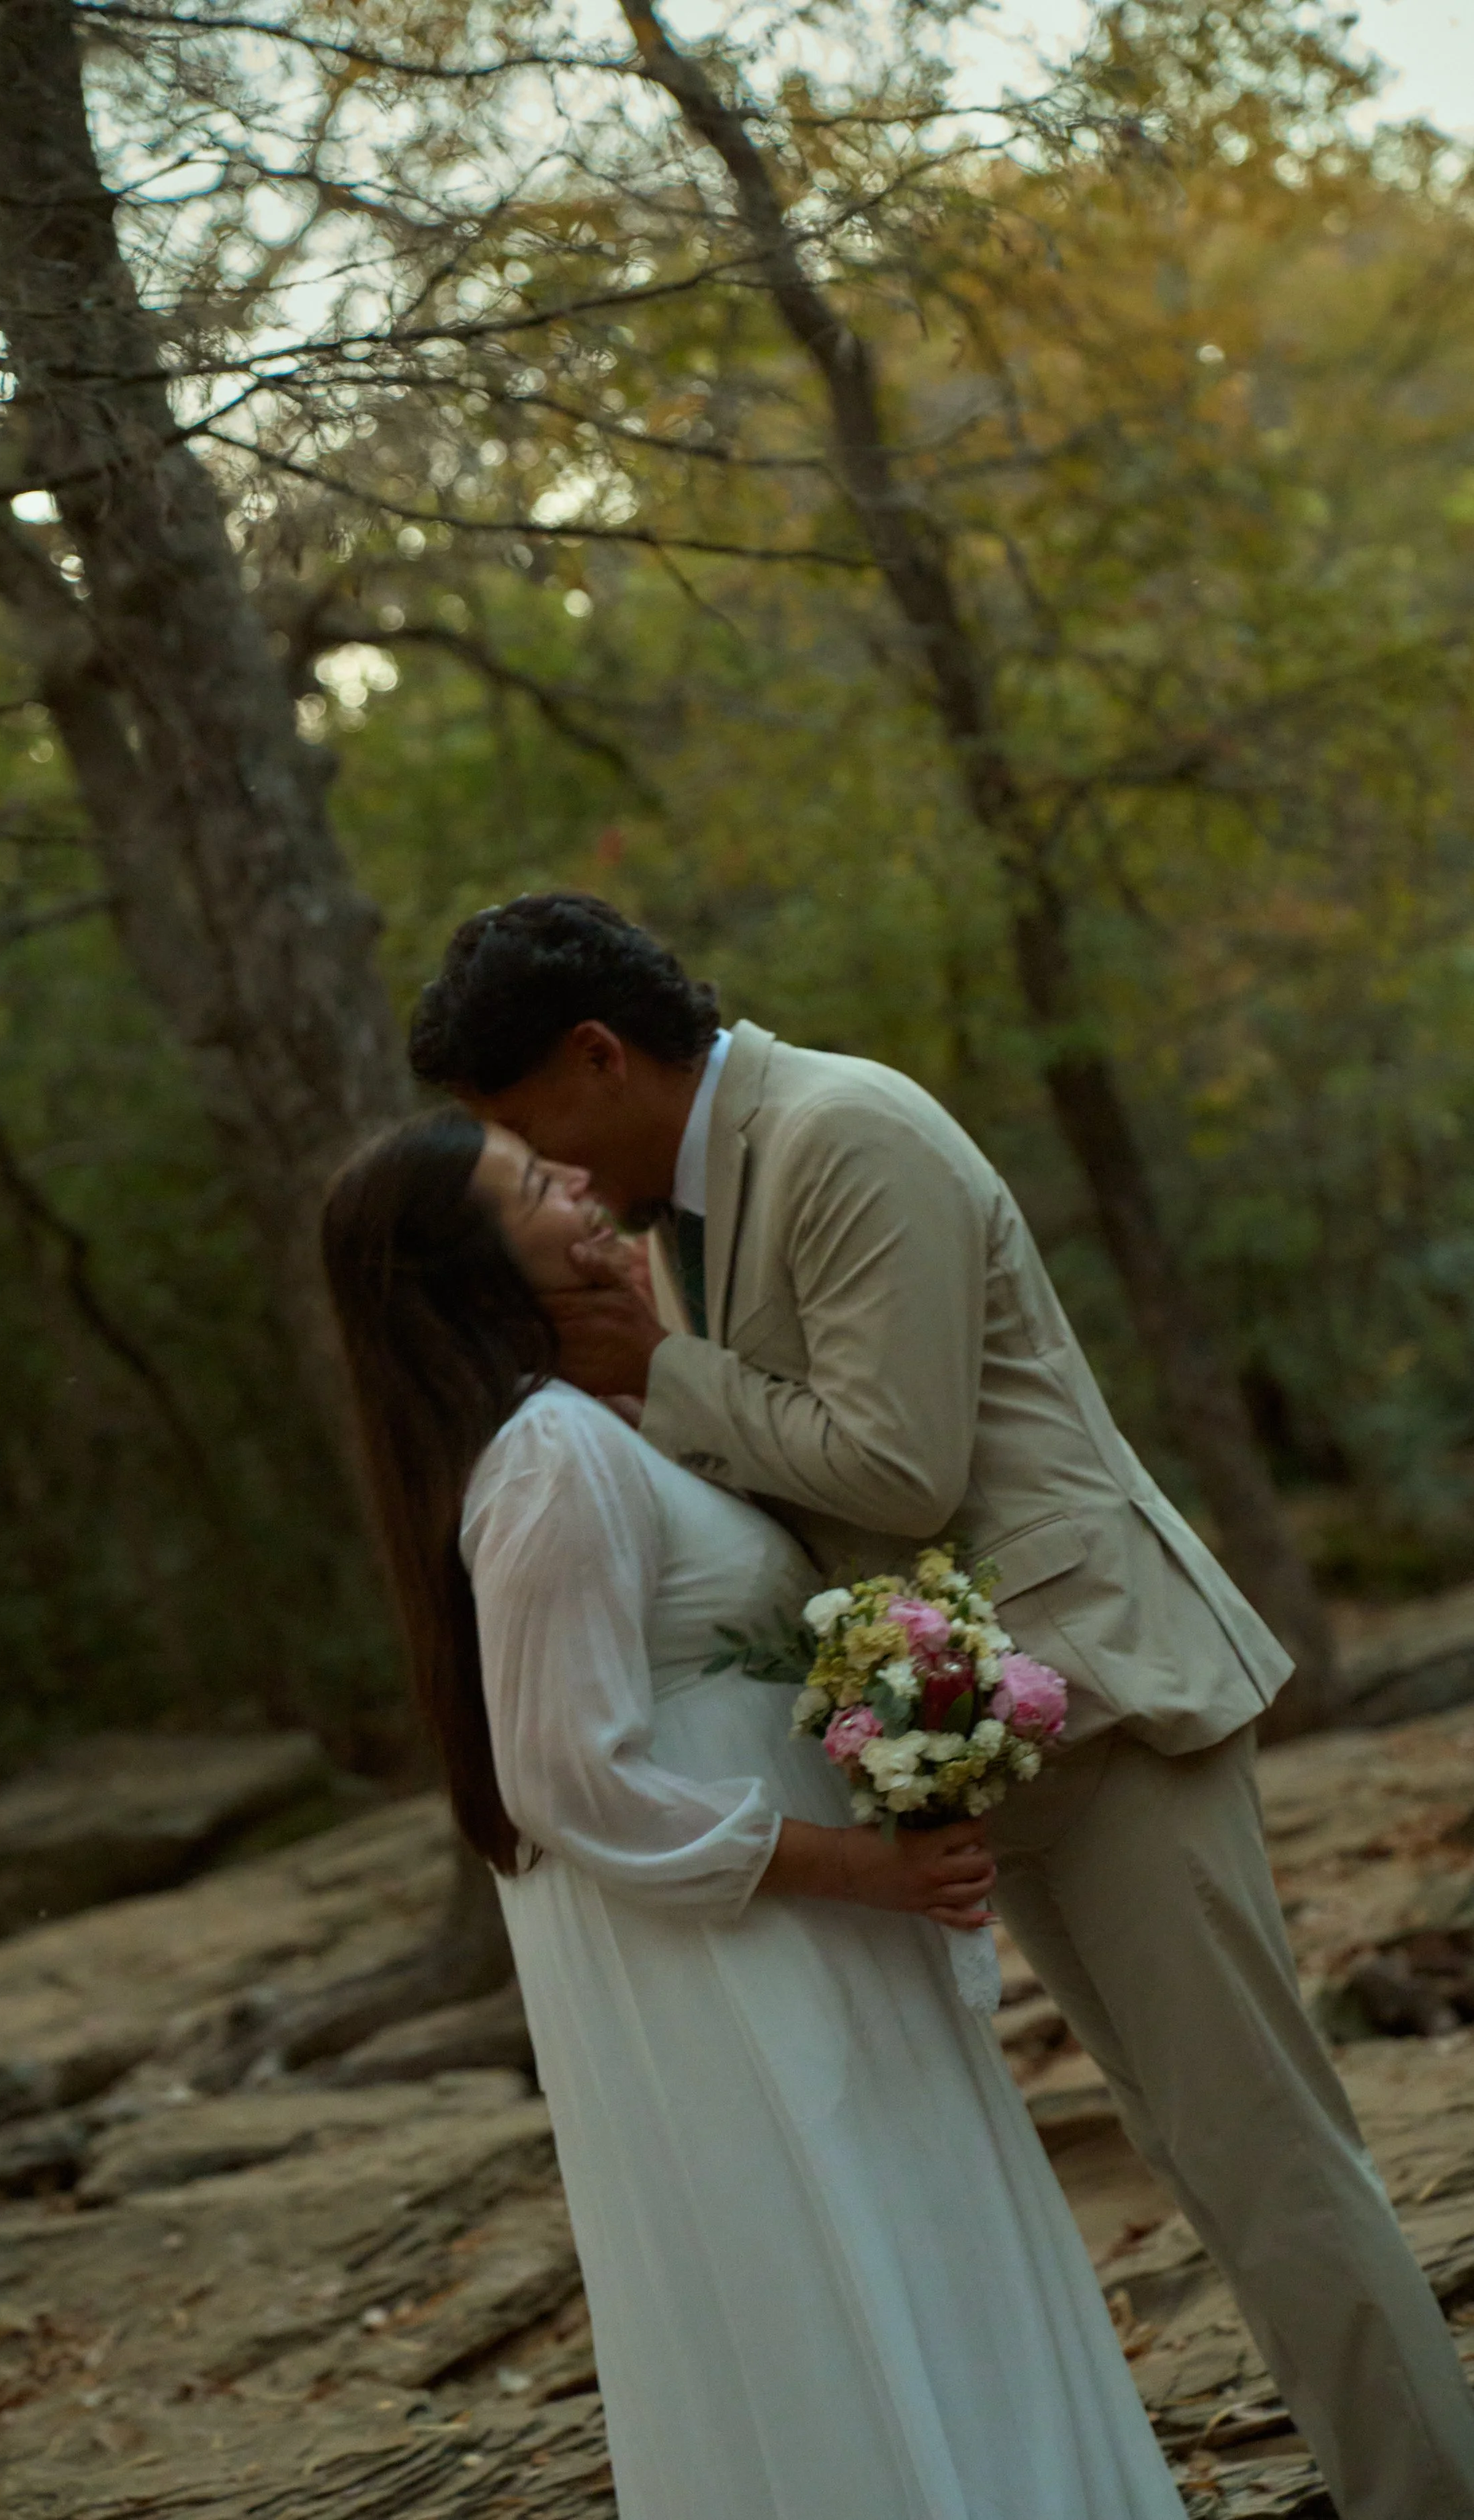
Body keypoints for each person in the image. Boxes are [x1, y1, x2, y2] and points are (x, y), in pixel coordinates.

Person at [407, 890, 1474, 2520]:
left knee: (1267, 2165)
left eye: (512, 1119)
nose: (530, 1164)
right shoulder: (686, 1212)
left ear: (595, 1056)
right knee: (1201, 2161)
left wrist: (659, 1378)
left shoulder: (839, 1131)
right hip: (989, 1742)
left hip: (1103, 1710)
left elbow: (896, 1465)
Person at [321, 1109, 1186, 2520]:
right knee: (844, 2265)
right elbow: (564, 1775)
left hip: (806, 1932)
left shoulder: (595, 1422)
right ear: (470, 1273)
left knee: (916, 2252)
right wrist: (857, 1862)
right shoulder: (545, 1462)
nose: (581, 1188)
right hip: (748, 1956)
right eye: (535, 1189)